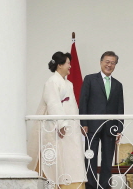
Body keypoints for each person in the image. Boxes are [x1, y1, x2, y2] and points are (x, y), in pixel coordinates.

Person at [27, 51, 87, 189]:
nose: (70, 66)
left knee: (72, 158)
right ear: (60, 65)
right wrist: (61, 124)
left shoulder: (69, 83)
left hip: (70, 128)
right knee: (57, 159)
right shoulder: (52, 82)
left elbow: (72, 106)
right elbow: (53, 104)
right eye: (68, 63)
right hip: (56, 128)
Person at [79, 51, 124, 189]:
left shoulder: (118, 84)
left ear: (115, 65)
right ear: (101, 62)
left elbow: (120, 108)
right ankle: (91, 186)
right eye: (107, 62)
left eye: (112, 63)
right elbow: (83, 101)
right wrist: (83, 123)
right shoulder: (90, 79)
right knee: (90, 158)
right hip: (92, 126)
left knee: (107, 160)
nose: (109, 65)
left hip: (111, 128)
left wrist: (119, 128)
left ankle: (105, 186)